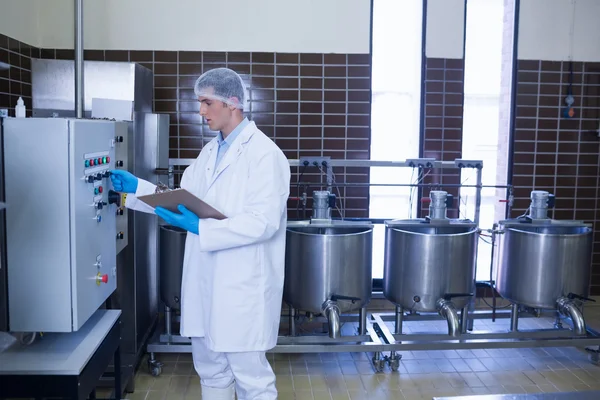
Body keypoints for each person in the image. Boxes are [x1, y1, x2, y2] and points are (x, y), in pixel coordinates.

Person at [110, 67, 291, 400]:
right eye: (200, 103)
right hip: (205, 284)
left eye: (207, 102)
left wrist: (201, 227)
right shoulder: (211, 152)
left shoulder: (266, 155)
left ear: (232, 102)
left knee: (252, 380)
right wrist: (137, 191)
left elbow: (263, 222)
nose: (201, 111)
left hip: (241, 289)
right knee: (211, 372)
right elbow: (180, 199)